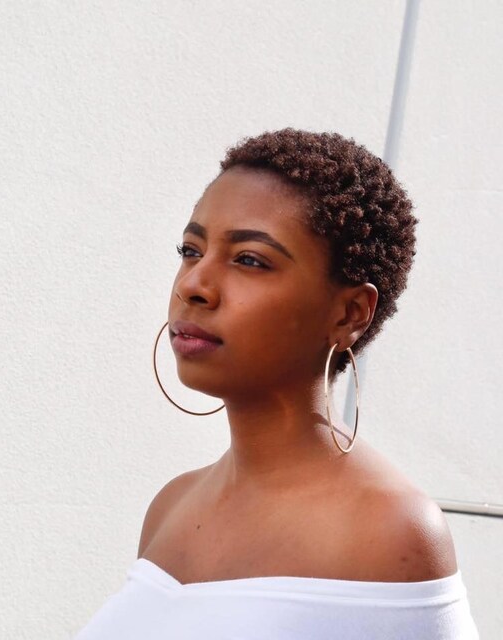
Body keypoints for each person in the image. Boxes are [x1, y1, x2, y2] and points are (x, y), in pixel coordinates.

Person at [73, 127, 479, 639]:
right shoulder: (172, 506)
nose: (193, 285)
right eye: (191, 250)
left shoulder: (391, 531)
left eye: (249, 259)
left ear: (350, 313)